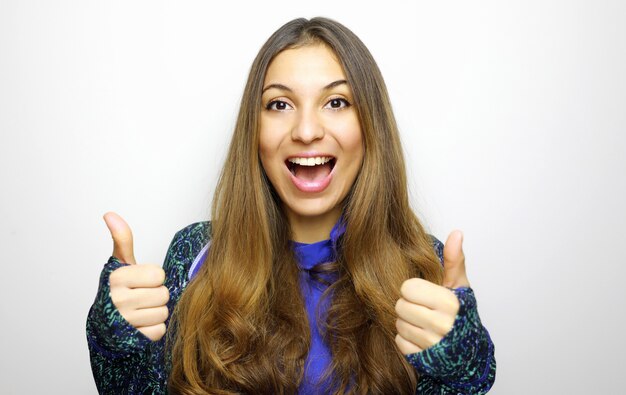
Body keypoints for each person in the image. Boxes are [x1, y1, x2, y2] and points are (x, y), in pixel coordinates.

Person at [86, 17, 496, 394]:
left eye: (336, 102)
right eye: (279, 105)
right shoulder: (194, 255)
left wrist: (459, 366)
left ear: (370, 125)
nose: (305, 131)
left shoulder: (422, 269)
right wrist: (116, 346)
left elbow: (464, 383)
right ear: (255, 130)